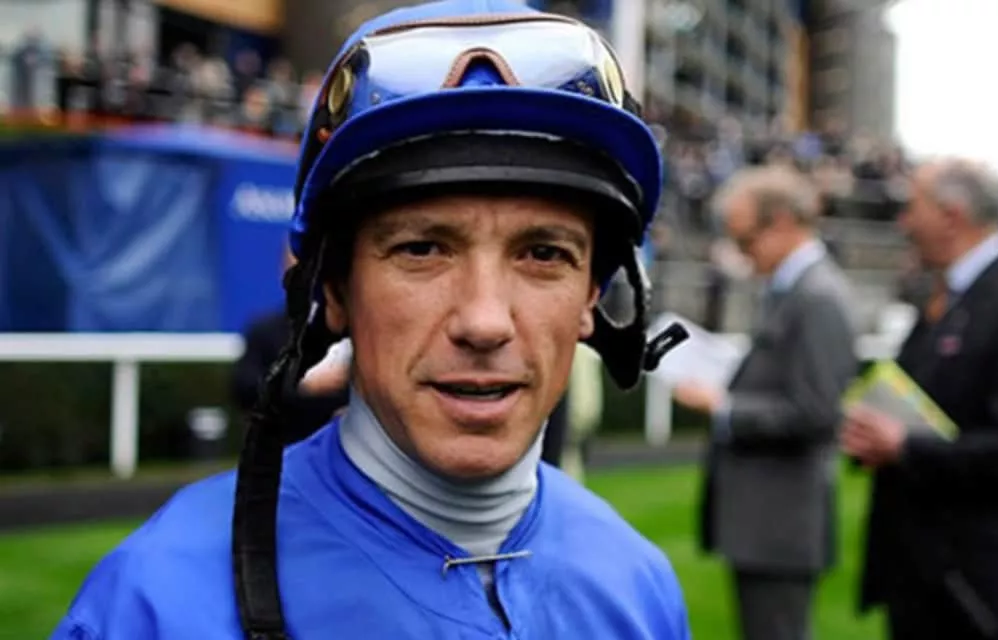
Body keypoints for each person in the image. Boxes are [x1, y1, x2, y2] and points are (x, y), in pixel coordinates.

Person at [52, 2, 692, 638]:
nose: (484, 321)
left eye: (544, 255)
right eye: (422, 249)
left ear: (590, 298)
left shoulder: (640, 585)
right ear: (334, 289)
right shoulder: (153, 603)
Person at [842, 159, 998, 640]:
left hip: (975, 587)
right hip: (918, 574)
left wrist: (903, 447)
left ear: (951, 215)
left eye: (913, 208)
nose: (904, 223)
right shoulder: (946, 296)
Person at [673, 165, 859, 640]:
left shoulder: (817, 296)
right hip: (768, 524)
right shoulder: (792, 290)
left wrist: (725, 408)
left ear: (781, 222)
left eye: (745, 239)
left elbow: (818, 412)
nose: (741, 253)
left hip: (781, 525)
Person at [231, 245, 347, 445]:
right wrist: (302, 387)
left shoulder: (355, 330)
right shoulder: (265, 331)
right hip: (282, 447)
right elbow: (245, 389)